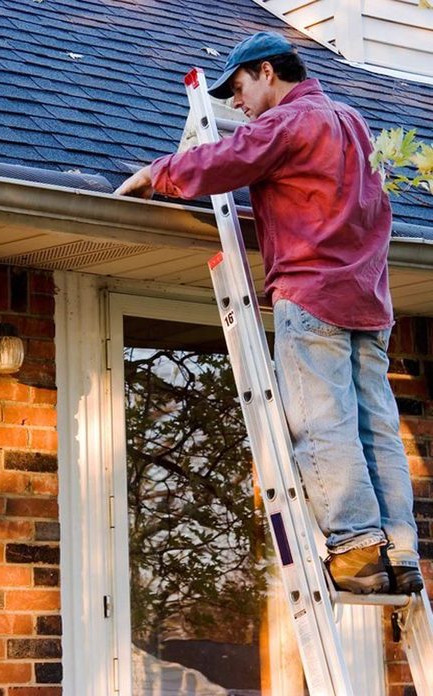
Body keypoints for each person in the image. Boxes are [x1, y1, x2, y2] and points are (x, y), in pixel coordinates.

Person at [115, 31, 423, 594]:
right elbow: (355, 216)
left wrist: (158, 172)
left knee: (322, 423)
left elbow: (230, 158)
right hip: (367, 302)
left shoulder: (290, 121)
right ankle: (399, 550)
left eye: (237, 88)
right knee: (376, 426)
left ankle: (355, 549)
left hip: (314, 300)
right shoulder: (352, 123)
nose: (235, 104)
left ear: (265, 72)